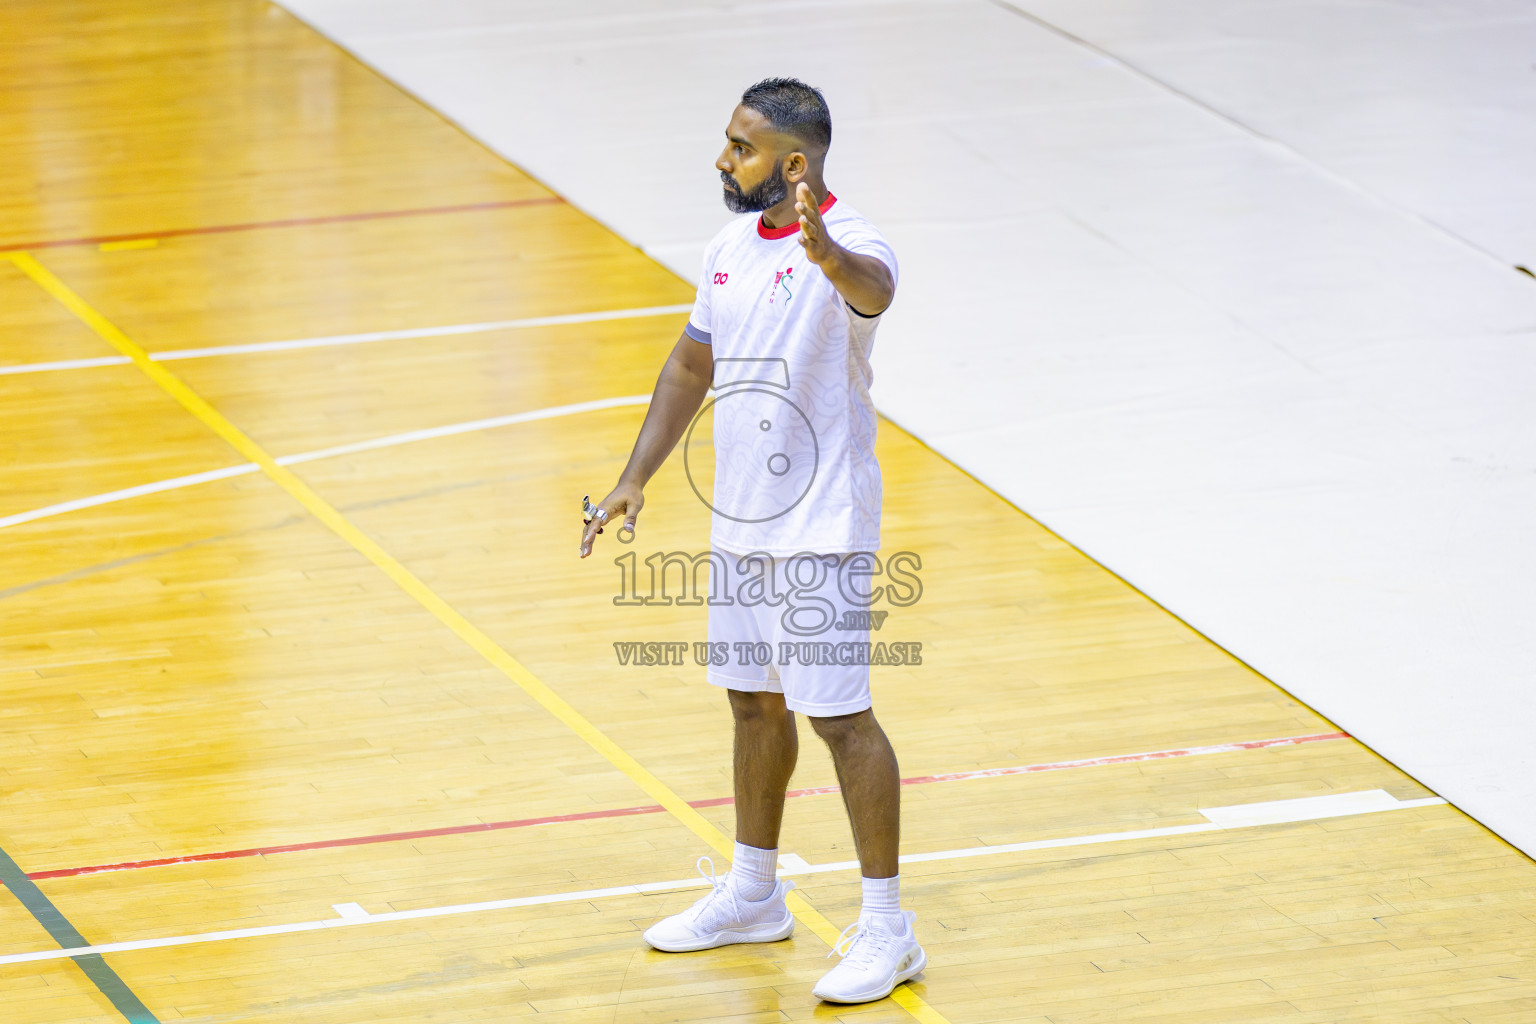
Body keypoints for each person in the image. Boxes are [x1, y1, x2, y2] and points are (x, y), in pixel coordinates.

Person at [580, 77, 922, 1005]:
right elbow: (691, 362)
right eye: (729, 142)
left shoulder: (854, 246)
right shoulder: (727, 248)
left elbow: (876, 288)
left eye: (742, 148)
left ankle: (888, 928)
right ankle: (754, 893)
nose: (723, 160)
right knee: (753, 708)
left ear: (794, 163)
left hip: (821, 529)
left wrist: (829, 254)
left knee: (841, 718)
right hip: (740, 523)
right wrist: (634, 477)